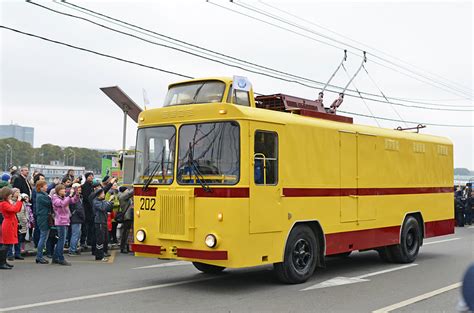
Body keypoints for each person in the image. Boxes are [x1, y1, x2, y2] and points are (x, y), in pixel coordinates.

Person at [51, 184, 78, 266]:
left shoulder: (63, 197)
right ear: (58, 191)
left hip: (65, 220)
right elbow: (62, 204)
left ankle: (55, 258)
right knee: (61, 241)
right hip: (60, 222)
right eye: (63, 190)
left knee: (61, 240)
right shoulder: (55, 198)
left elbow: (73, 201)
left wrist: (76, 194)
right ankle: (61, 258)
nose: (65, 191)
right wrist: (69, 195)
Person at [0, 186, 24, 269]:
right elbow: (14, 209)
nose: (11, 195)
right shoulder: (3, 204)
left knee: (8, 244)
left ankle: (4, 261)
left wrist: (19, 202)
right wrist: (18, 201)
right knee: (6, 244)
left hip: (11, 224)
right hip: (8, 224)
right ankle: (1, 263)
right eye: (10, 194)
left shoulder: (6, 202)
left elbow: (17, 209)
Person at [93, 189, 114, 262]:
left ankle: (102, 253)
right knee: (100, 240)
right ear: (99, 194)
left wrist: (111, 203)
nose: (104, 195)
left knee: (105, 239)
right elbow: (103, 208)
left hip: (104, 222)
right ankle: (99, 256)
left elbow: (108, 208)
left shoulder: (102, 201)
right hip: (99, 222)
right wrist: (109, 201)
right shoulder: (96, 202)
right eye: (102, 193)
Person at [6, 189, 27, 261]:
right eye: (17, 192)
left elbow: (25, 210)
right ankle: (10, 254)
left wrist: (26, 218)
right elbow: (14, 209)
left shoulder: (21, 201)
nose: (18, 193)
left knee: (19, 238)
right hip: (14, 220)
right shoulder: (10, 201)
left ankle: (18, 253)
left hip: (21, 220)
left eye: (19, 192)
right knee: (11, 239)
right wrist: (18, 201)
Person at [35, 180, 52, 264]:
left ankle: (40, 256)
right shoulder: (41, 196)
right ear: (40, 187)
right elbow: (50, 203)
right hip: (43, 218)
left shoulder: (42, 195)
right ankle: (39, 256)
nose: (47, 187)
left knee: (44, 237)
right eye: (45, 186)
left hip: (44, 217)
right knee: (43, 237)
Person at [69, 183, 85, 256]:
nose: (80, 189)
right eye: (78, 188)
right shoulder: (75, 197)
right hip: (76, 218)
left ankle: (74, 249)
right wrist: (83, 216)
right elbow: (79, 209)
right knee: (75, 235)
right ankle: (72, 250)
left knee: (77, 234)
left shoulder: (78, 196)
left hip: (76, 217)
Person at [81, 172, 95, 251]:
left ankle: (89, 241)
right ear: (86, 177)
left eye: (92, 176)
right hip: (86, 209)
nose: (92, 177)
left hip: (91, 209)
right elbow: (86, 198)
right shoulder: (85, 186)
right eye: (90, 176)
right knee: (85, 227)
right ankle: (83, 241)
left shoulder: (92, 186)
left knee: (91, 226)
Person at [118, 186, 134, 253]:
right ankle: (123, 247)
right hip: (127, 217)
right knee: (125, 233)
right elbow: (130, 193)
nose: (128, 191)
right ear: (124, 191)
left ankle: (126, 247)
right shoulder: (123, 197)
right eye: (127, 190)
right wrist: (135, 186)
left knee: (126, 232)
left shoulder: (123, 196)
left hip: (128, 216)